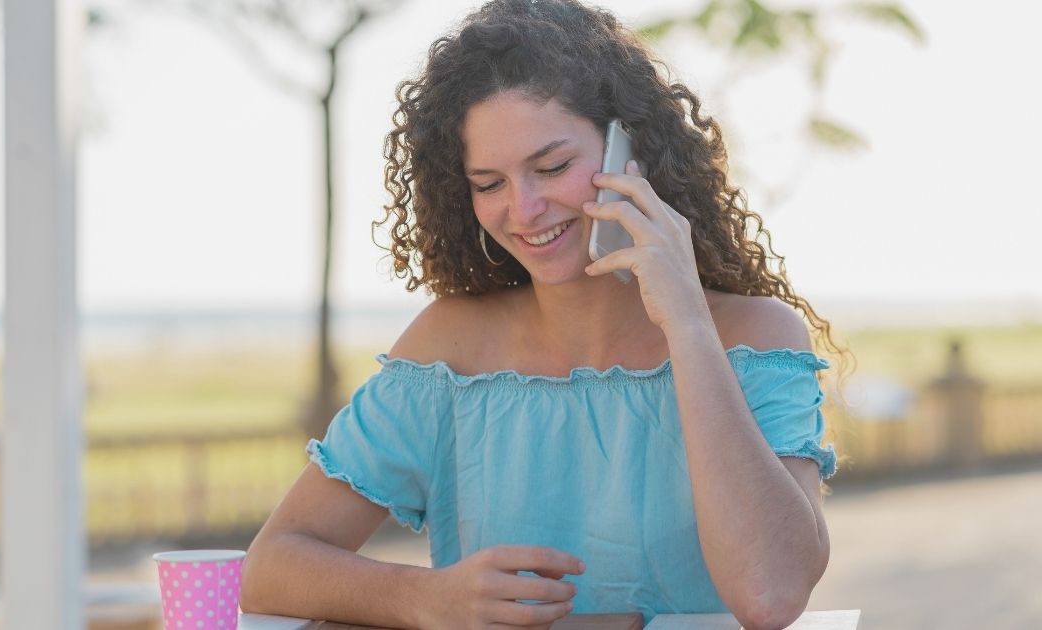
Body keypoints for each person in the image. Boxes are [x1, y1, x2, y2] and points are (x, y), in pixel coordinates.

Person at [242, 1, 847, 628]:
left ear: (629, 151)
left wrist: (689, 324)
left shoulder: (756, 336)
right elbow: (270, 567)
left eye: (552, 167)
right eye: (489, 183)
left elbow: (770, 596)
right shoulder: (450, 350)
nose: (525, 210)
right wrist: (426, 598)